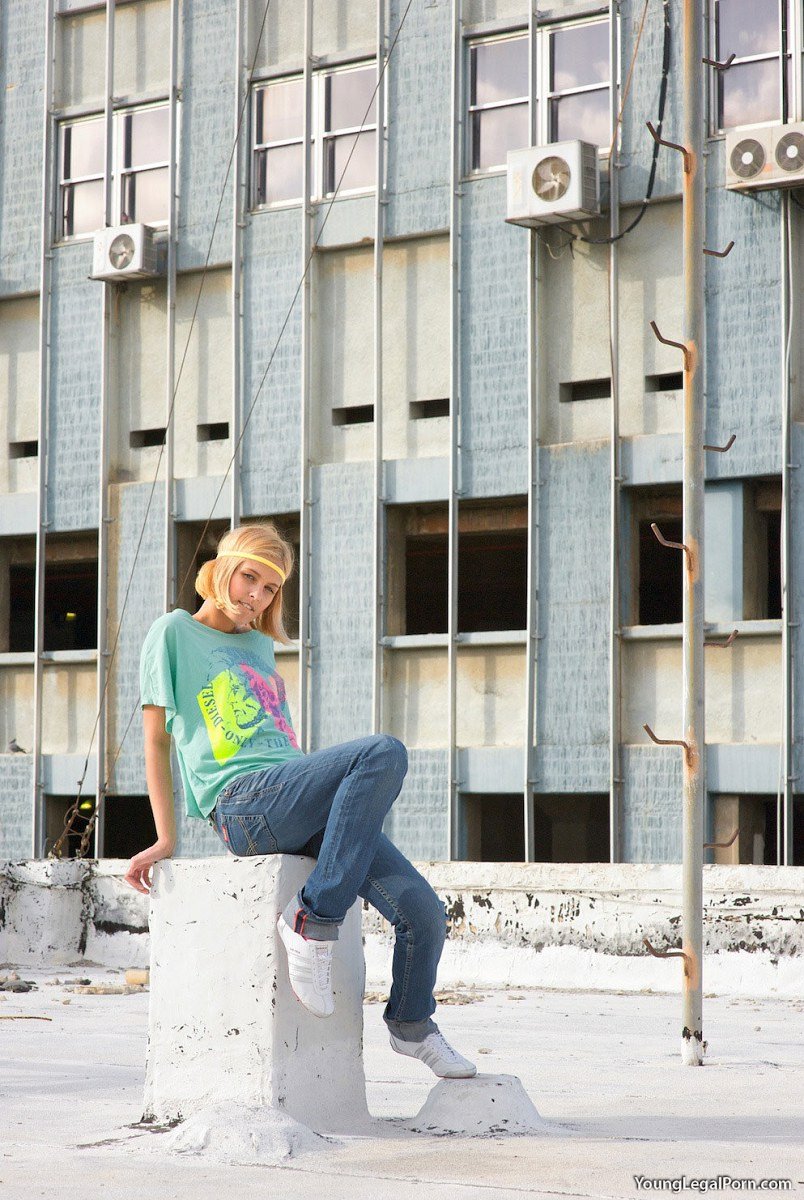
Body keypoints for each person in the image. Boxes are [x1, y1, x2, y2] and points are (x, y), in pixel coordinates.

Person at [125, 522, 476, 1080]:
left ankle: (412, 1025)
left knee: (424, 914)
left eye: (270, 589)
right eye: (249, 578)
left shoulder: (258, 644)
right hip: (241, 805)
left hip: (288, 793)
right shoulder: (173, 632)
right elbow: (156, 740)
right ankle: (313, 919)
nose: (256, 597)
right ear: (222, 570)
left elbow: (275, 742)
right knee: (382, 752)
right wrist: (167, 837)